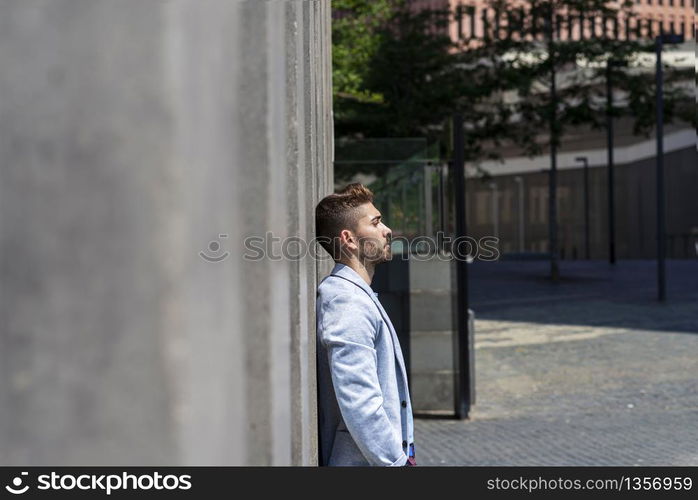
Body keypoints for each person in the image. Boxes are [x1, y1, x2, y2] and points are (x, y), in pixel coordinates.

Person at [315, 183, 416, 466]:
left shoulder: (355, 295)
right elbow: (359, 399)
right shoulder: (347, 302)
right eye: (376, 222)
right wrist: (396, 463)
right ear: (348, 239)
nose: (387, 230)